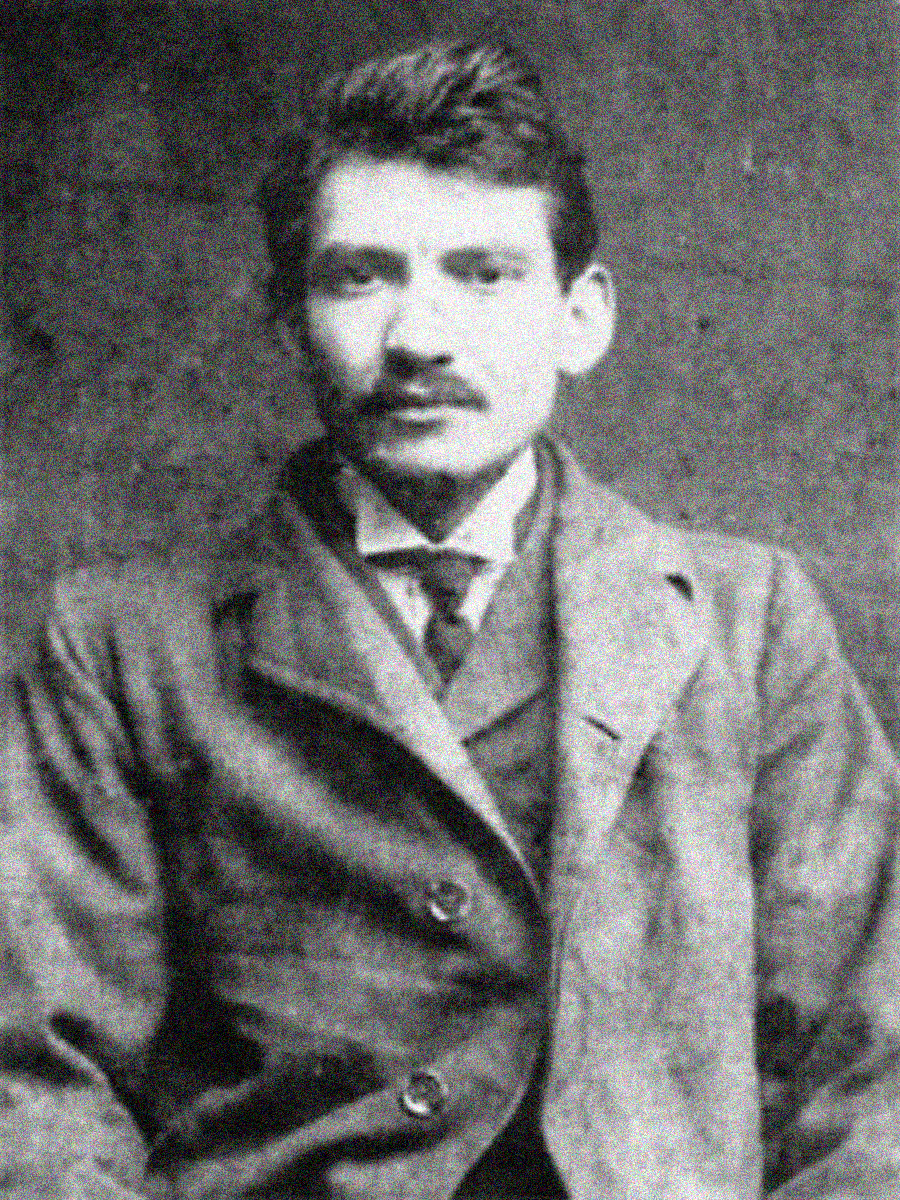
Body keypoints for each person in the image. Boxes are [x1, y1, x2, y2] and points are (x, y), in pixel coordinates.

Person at [2, 38, 900, 1200]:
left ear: (582, 318)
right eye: (360, 276)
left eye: (483, 274)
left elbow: (874, 1067)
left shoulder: (750, 623)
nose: (420, 338)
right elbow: (32, 1078)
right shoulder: (126, 648)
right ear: (287, 326)